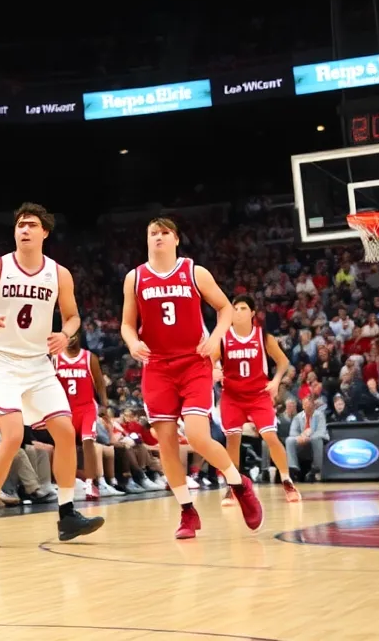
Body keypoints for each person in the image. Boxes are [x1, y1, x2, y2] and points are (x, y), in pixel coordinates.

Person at [0, 203, 103, 549]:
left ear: (44, 232)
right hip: (2, 361)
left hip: (38, 364)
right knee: (11, 437)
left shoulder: (59, 274)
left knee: (65, 432)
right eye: (20, 225)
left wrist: (65, 335)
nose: (24, 229)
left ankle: (67, 514)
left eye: (32, 225)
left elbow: (72, 317)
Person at [121, 217, 264, 539]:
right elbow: (127, 324)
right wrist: (132, 343)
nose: (158, 237)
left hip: (194, 362)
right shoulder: (135, 277)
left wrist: (216, 338)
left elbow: (225, 308)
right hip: (156, 367)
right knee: (167, 444)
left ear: (176, 239)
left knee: (199, 436)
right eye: (153, 233)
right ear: (147, 241)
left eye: (164, 232)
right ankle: (187, 512)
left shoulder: (194, 271)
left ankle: (240, 485)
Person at [211, 295, 300, 505]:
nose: (238, 312)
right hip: (232, 397)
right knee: (233, 440)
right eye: (235, 308)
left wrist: (276, 381)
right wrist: (214, 368)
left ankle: (287, 481)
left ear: (252, 313)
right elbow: (210, 359)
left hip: (258, 395)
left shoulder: (262, 336)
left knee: (270, 437)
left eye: (243, 308)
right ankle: (233, 487)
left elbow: (283, 361)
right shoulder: (223, 337)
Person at [55, 333, 109, 500]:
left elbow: (99, 383)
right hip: (65, 408)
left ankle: (91, 483)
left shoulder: (88, 357)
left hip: (86, 408)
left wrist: (104, 405)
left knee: (88, 442)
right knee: (64, 445)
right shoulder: (55, 358)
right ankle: (64, 483)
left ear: (79, 338)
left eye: (73, 336)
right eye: (68, 337)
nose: (71, 340)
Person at [286, 394, 328, 480]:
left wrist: (309, 436)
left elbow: (321, 431)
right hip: (302, 441)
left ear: (313, 406)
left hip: (316, 441)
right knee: (289, 440)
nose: (308, 407)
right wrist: (300, 437)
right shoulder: (298, 417)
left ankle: (316, 469)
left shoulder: (320, 415)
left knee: (317, 439)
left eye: (310, 405)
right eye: (305, 405)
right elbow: (292, 432)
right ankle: (293, 467)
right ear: (302, 406)